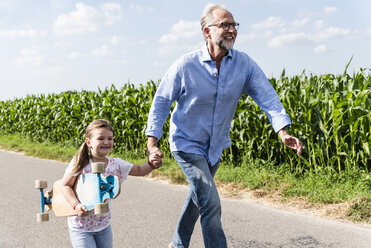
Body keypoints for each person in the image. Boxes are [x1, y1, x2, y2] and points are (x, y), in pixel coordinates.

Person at [146, 3, 303, 248]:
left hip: (215, 146)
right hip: (187, 144)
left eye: (234, 25)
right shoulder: (186, 65)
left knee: (199, 199)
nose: (231, 30)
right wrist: (152, 142)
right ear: (208, 31)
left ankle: (177, 244)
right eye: (225, 25)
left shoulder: (244, 64)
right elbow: (161, 102)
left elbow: (267, 96)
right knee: (211, 202)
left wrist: (282, 130)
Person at [61, 119, 161, 248]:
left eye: (110, 138)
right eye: (101, 138)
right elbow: (65, 186)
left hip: (103, 225)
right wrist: (76, 205)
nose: (106, 142)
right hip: (81, 226)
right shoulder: (80, 162)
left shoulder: (116, 164)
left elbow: (140, 170)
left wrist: (151, 164)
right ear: (88, 142)